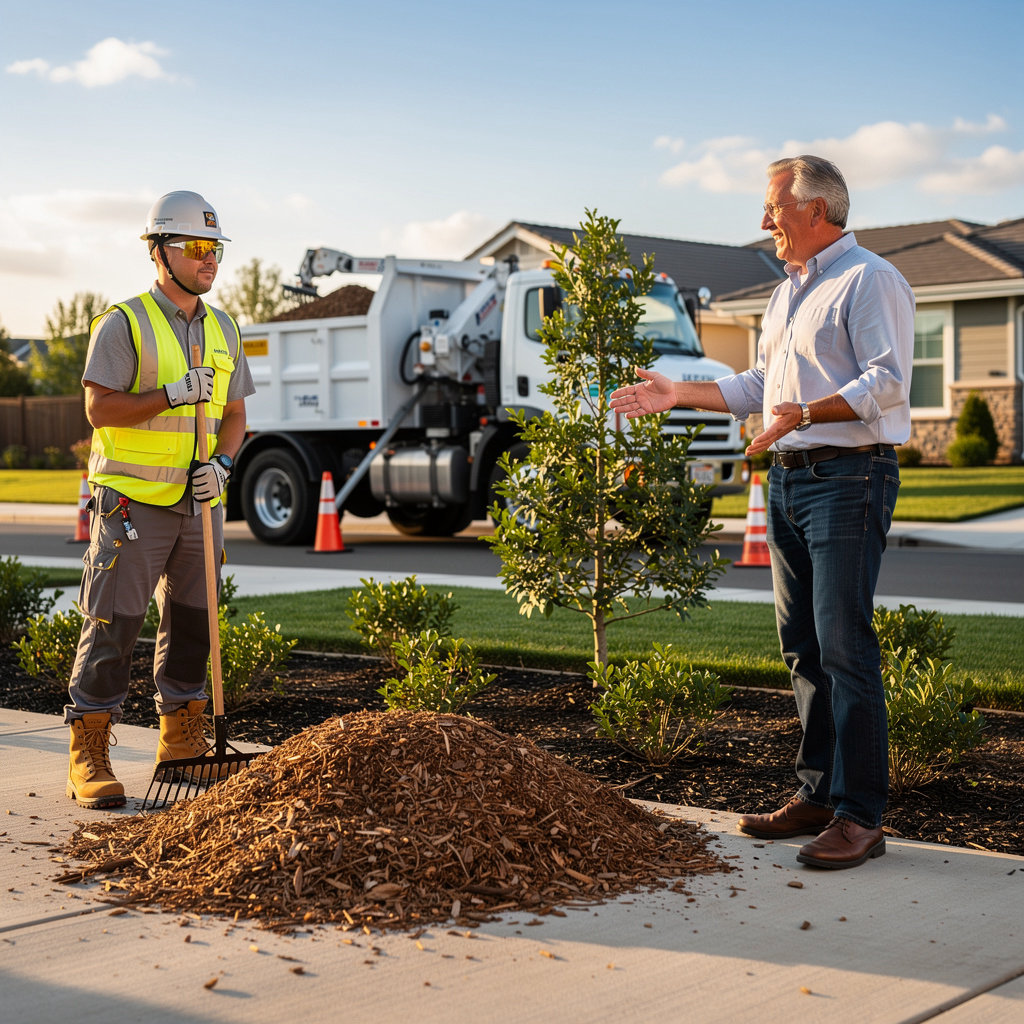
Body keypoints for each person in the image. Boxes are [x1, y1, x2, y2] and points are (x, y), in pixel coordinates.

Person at [610, 155, 914, 869]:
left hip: (849, 476)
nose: (763, 221)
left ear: (817, 209)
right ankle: (818, 793)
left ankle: (861, 814)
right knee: (804, 645)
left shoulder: (870, 279)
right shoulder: (787, 294)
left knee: (844, 645)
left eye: (773, 207)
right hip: (788, 480)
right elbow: (758, 384)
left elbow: (889, 383)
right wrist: (678, 393)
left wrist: (805, 412)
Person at [65, 190, 255, 809]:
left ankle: (181, 740)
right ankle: (88, 746)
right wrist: (171, 393)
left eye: (215, 248)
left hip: (201, 503)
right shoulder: (124, 322)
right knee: (114, 622)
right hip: (133, 503)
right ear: (158, 251)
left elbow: (235, 415)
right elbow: (100, 408)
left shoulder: (224, 326)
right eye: (196, 248)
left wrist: (223, 466)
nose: (209, 260)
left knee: (195, 623)